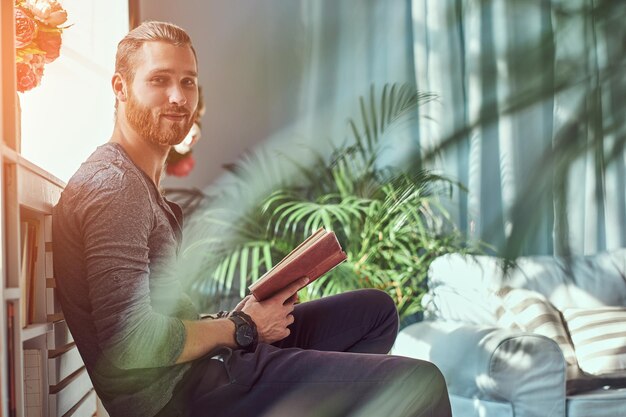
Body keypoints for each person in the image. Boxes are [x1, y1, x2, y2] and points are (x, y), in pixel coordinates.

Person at [52, 21, 452, 417]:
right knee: (422, 382)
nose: (178, 96)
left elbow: (159, 316)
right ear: (120, 88)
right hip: (186, 395)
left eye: (188, 81)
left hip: (203, 367)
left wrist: (235, 320)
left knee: (375, 312)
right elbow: (131, 342)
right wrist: (241, 326)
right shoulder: (114, 187)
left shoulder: (137, 184)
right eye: (159, 80)